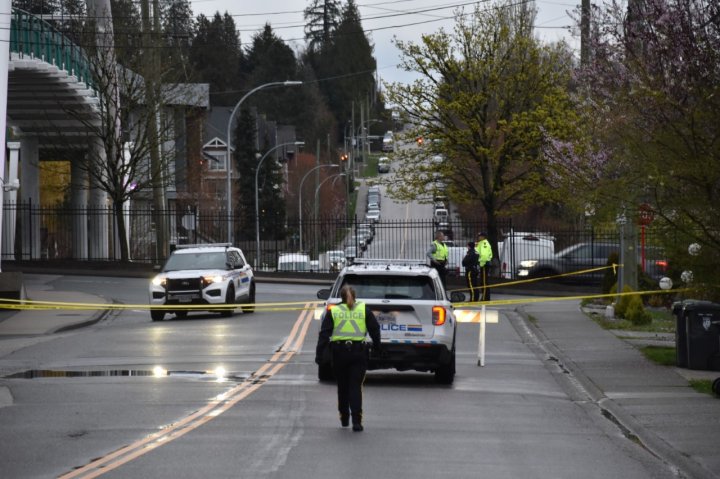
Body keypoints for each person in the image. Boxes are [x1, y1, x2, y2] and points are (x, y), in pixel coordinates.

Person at [315, 285, 382, 432]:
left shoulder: (334, 311)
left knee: (342, 386)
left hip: (339, 353)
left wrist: (319, 354)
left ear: (341, 297)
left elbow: (324, 335)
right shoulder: (364, 310)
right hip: (359, 353)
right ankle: (357, 421)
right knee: (355, 386)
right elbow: (375, 330)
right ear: (354, 296)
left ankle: (344, 417)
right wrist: (377, 348)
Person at [475, 232, 493, 301]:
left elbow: (484, 256)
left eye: (480, 236)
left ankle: (485, 297)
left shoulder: (484, 243)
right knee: (483, 281)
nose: (478, 237)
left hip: (484, 264)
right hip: (484, 264)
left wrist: (481, 264)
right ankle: (485, 296)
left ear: (483, 237)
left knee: (484, 281)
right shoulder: (481, 243)